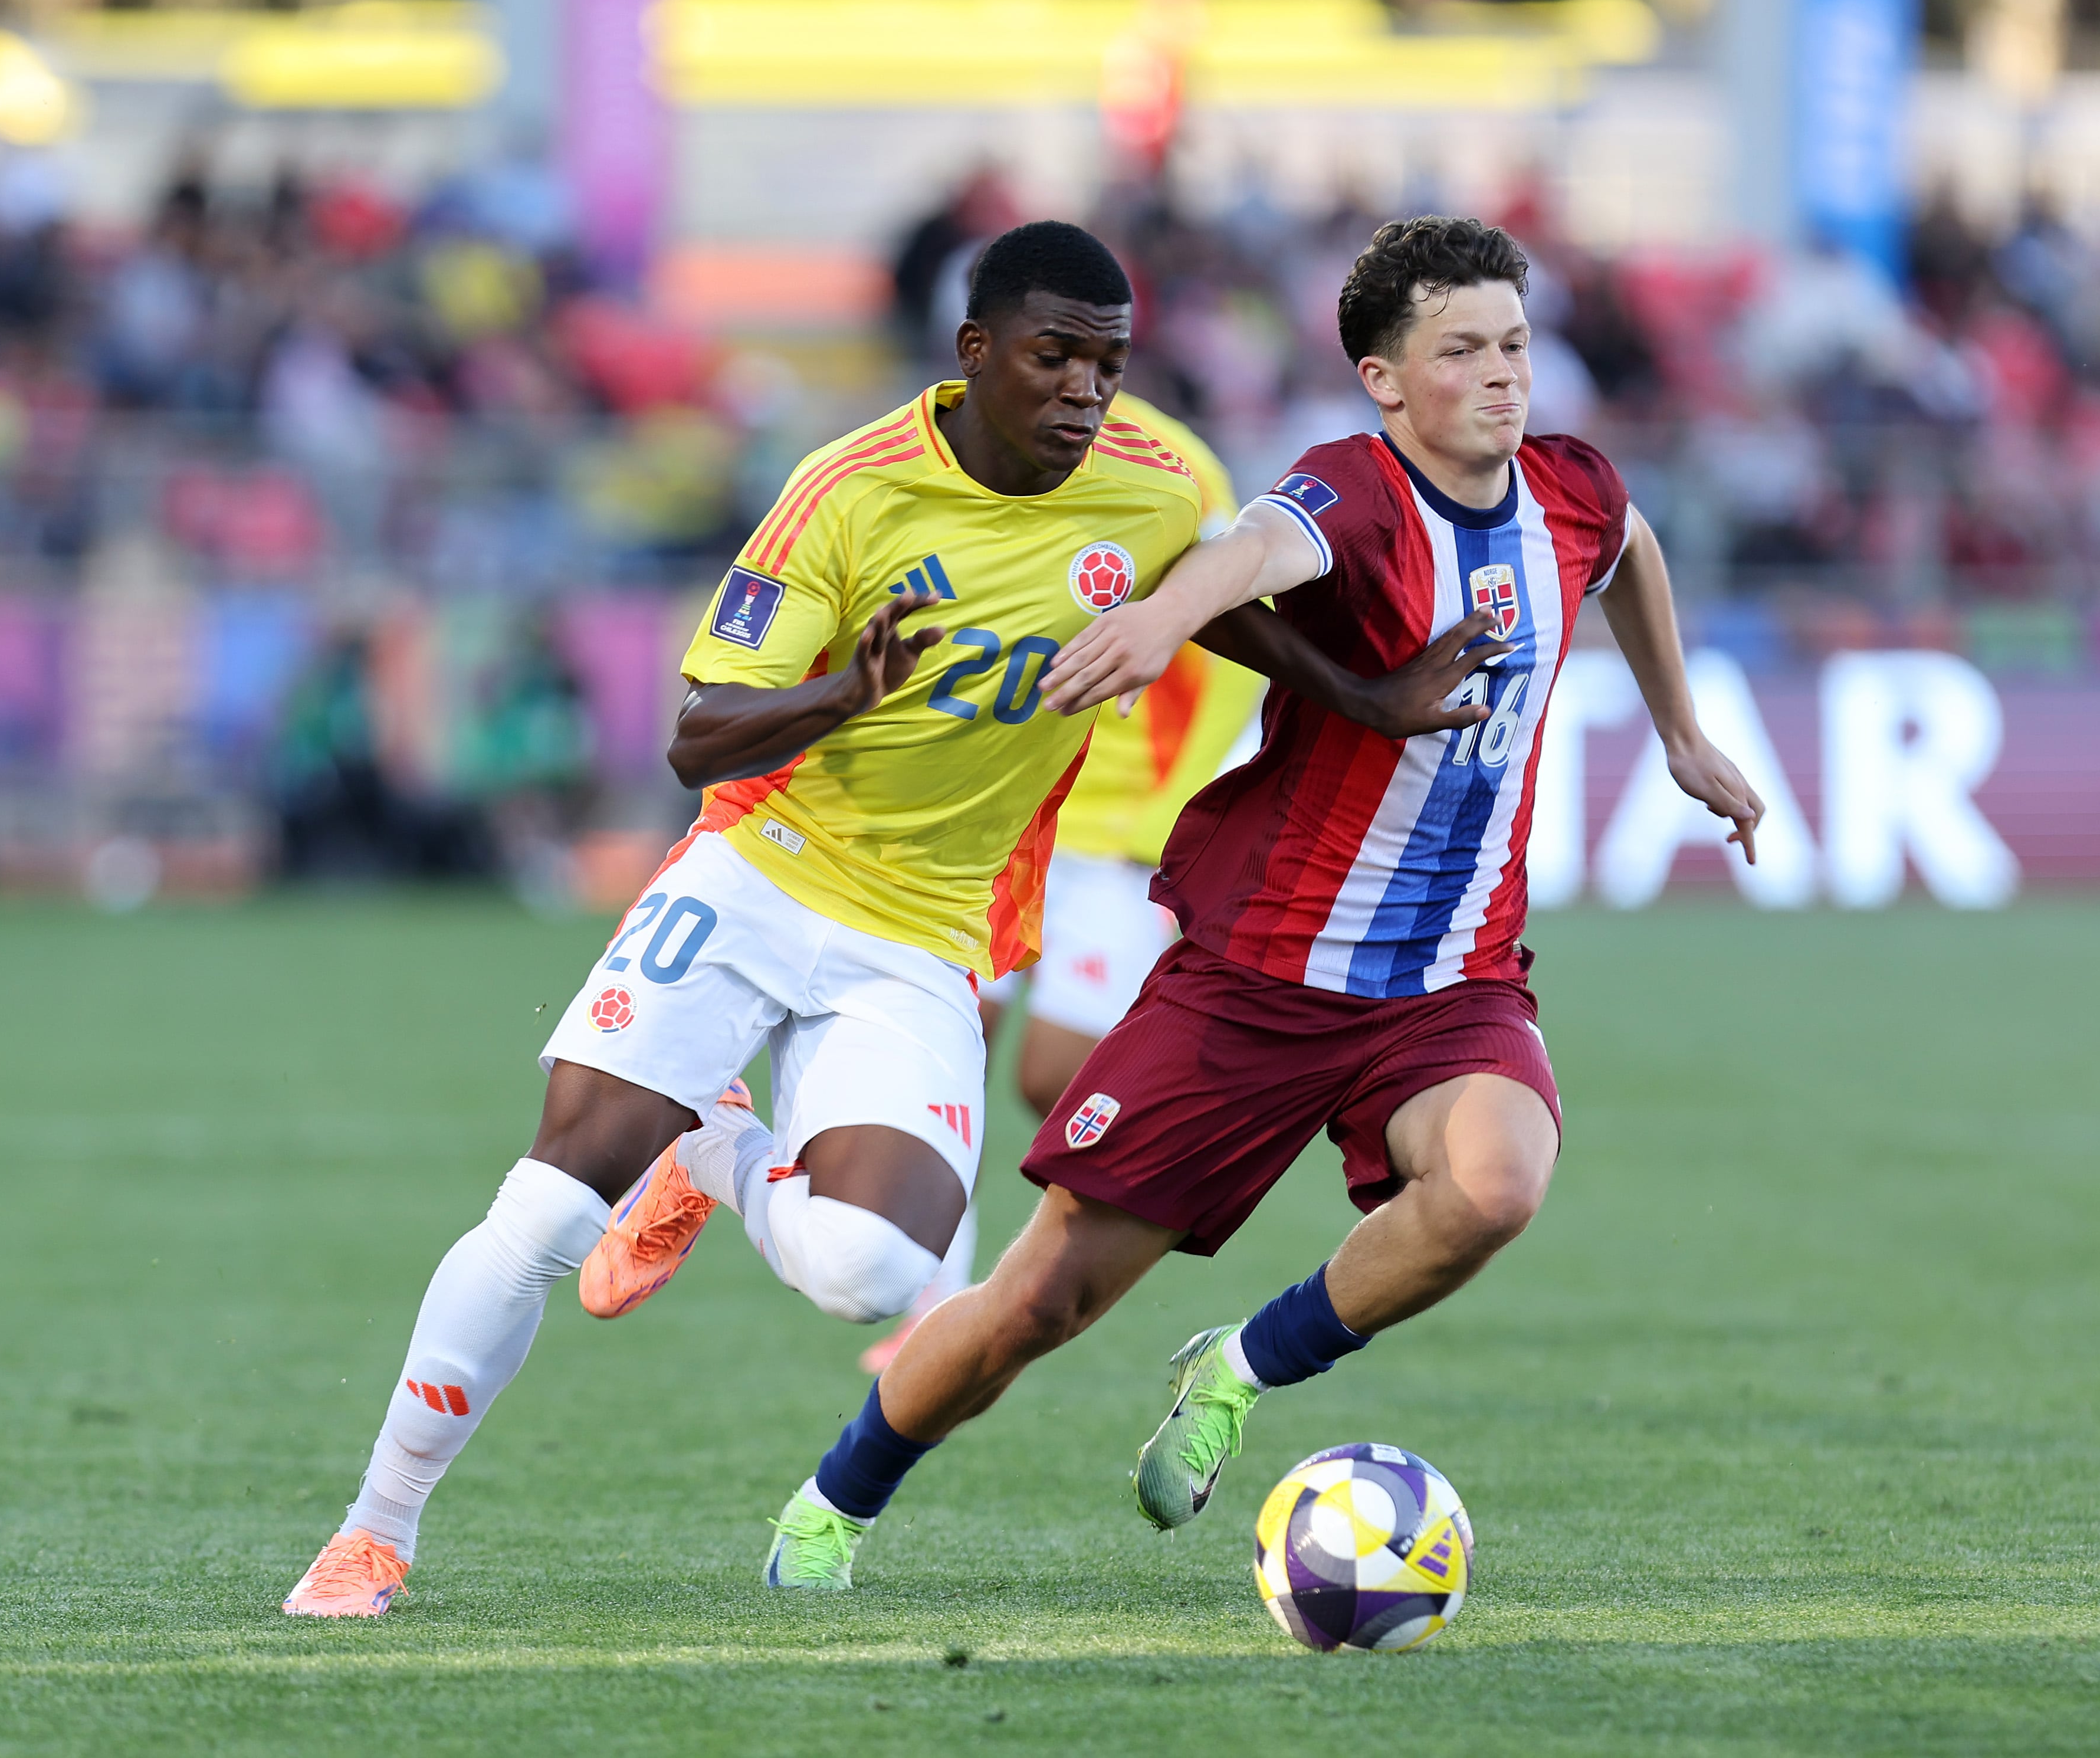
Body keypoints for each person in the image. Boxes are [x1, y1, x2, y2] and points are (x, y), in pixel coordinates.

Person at [280, 221, 1475, 1617]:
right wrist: (838, 693)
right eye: (1054, 357)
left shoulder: (1150, 487)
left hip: (925, 935)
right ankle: (374, 1532)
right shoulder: (845, 492)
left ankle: (716, 1150)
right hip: (756, 875)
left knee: (872, 1274)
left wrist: (1365, 698)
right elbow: (694, 734)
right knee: (546, 1210)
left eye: (1107, 363)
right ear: (974, 352)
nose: (1086, 390)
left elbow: (1202, 604)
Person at [755, 216, 1764, 1587]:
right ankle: (833, 1505)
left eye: (1514, 345)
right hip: (1259, 979)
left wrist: (1679, 731)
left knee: (1493, 1185)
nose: (1500, 375)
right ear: (1382, 380)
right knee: (1040, 1300)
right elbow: (1248, 553)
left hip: (1448, 978)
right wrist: (1157, 620)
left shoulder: (1567, 488)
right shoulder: (1352, 494)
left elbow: (1627, 545)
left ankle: (1237, 1367)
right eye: (1460, 351)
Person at [857, 392, 1264, 1376]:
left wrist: (1170, 806)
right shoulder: (966, 445)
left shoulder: (1175, 470)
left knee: (1055, 1079)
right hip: (998, 821)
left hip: (1110, 840)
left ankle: (1085, 1262)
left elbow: (1239, 646)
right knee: (946, 1043)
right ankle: (935, 1307)